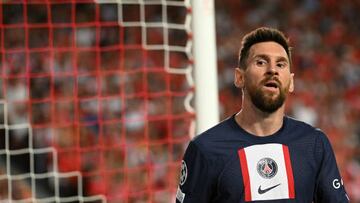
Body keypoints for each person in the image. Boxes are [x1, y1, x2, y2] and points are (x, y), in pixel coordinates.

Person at [175, 27, 349, 203]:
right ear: (239, 77)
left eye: (281, 64)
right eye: (261, 62)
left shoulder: (314, 144)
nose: (272, 70)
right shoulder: (205, 149)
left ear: (291, 82)